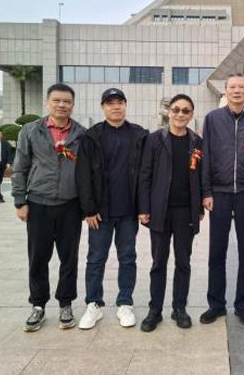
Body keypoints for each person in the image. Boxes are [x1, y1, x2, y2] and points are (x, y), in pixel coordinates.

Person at [200, 73, 244, 326]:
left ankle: (243, 305)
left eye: (241, 87)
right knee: (216, 251)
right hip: (219, 194)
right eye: (232, 87)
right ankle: (216, 304)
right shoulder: (212, 119)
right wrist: (206, 192)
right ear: (226, 91)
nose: (237, 91)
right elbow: (206, 156)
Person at [12, 83, 86, 332]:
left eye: (67, 101)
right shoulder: (31, 131)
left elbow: (87, 172)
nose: (61, 105)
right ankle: (38, 304)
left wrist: (87, 205)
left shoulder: (81, 134)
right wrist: (20, 200)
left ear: (72, 105)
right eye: (57, 100)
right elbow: (20, 167)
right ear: (48, 102)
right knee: (38, 257)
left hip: (70, 206)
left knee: (69, 258)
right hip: (38, 204)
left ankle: (66, 303)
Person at [76, 88, 148, 330]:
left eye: (120, 102)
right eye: (110, 103)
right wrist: (88, 209)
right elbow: (83, 174)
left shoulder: (139, 135)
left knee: (128, 258)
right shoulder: (91, 136)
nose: (116, 107)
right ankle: (93, 304)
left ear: (125, 105)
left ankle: (124, 302)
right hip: (100, 213)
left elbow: (145, 174)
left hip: (128, 212)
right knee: (96, 258)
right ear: (103, 107)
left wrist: (143, 207)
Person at [138, 94, 204, 332]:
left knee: (183, 262)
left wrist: (199, 208)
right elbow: (145, 175)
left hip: (186, 212)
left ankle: (179, 308)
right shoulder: (155, 139)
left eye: (185, 111)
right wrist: (144, 208)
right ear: (169, 112)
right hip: (160, 211)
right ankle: (155, 310)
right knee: (158, 262)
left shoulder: (197, 142)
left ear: (191, 115)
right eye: (176, 109)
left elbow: (201, 177)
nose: (180, 114)